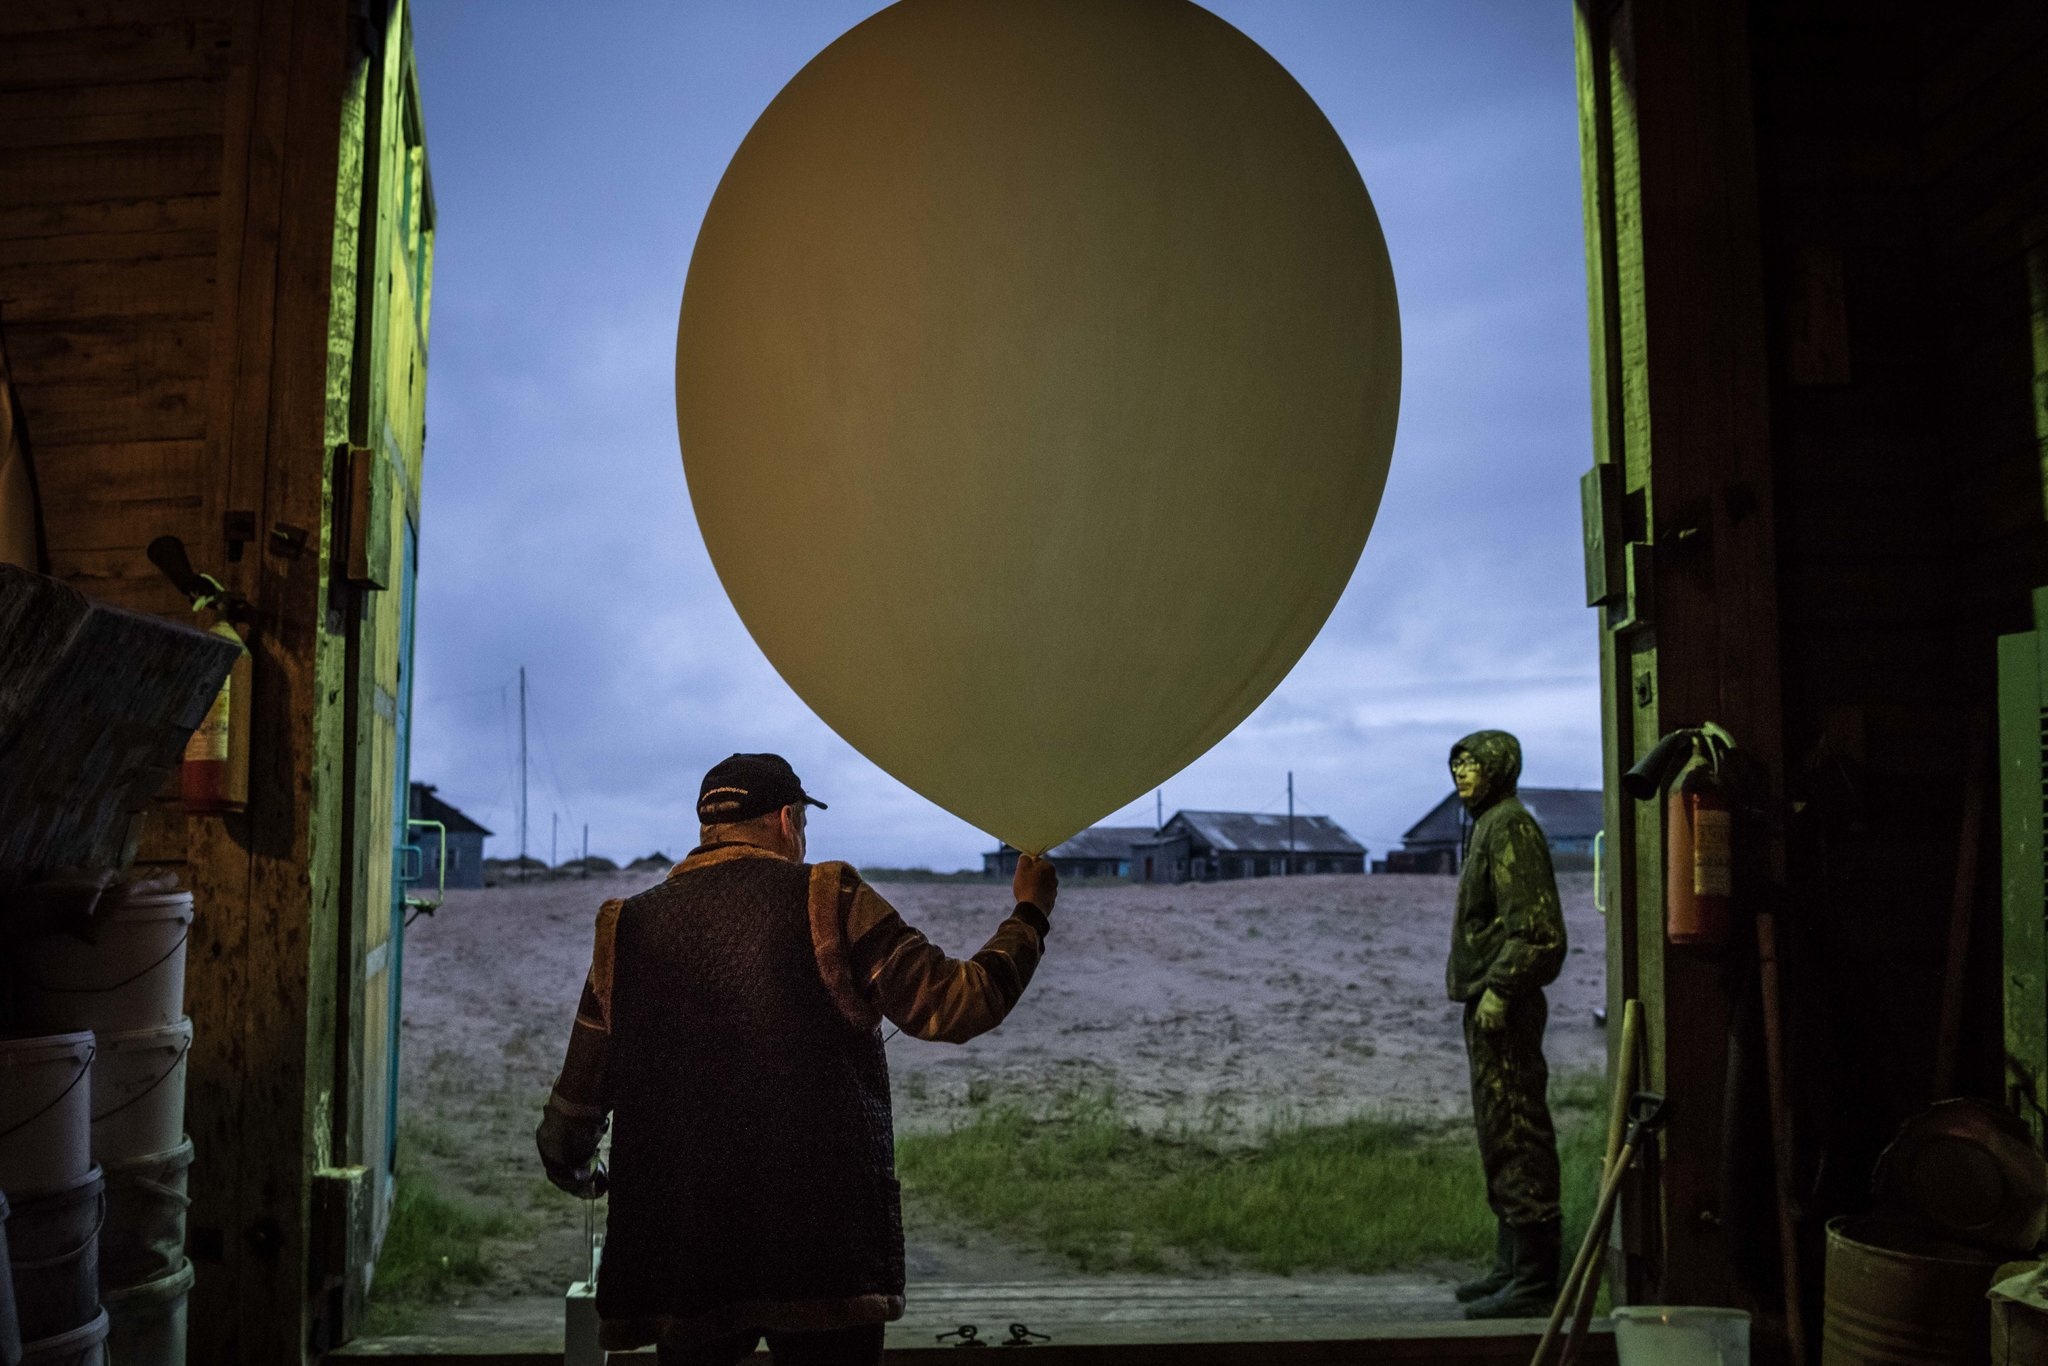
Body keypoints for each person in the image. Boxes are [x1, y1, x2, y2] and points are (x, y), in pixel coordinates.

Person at [536, 753, 1058, 1364]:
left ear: (709, 828)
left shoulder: (624, 927)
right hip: (824, 1253)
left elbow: (576, 1101)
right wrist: (1030, 913)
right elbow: (961, 1003)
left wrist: (573, 1168)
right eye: (804, 824)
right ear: (788, 820)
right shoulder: (830, 896)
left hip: (684, 1250)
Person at [1444, 730, 1566, 1319]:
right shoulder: (1490, 824)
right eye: (1457, 765)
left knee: (1517, 1129)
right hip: (1491, 1002)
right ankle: (1511, 1267)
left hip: (1505, 1005)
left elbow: (1539, 930)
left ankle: (1537, 1282)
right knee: (1500, 1128)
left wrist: (1500, 988)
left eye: (1473, 764)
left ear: (1500, 769)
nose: (1463, 774)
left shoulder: (1510, 826)